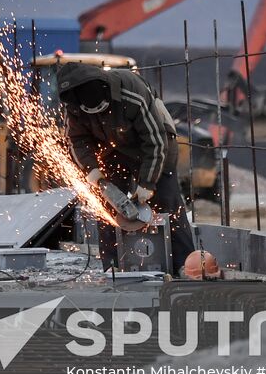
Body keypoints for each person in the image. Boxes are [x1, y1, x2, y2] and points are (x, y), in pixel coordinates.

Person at [57, 61, 195, 273]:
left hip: (157, 143)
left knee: (167, 203)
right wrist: (93, 171)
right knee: (110, 206)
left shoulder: (131, 92)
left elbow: (155, 141)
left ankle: (186, 265)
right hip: (113, 149)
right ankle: (112, 267)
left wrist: (147, 183)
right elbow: (77, 142)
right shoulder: (73, 105)